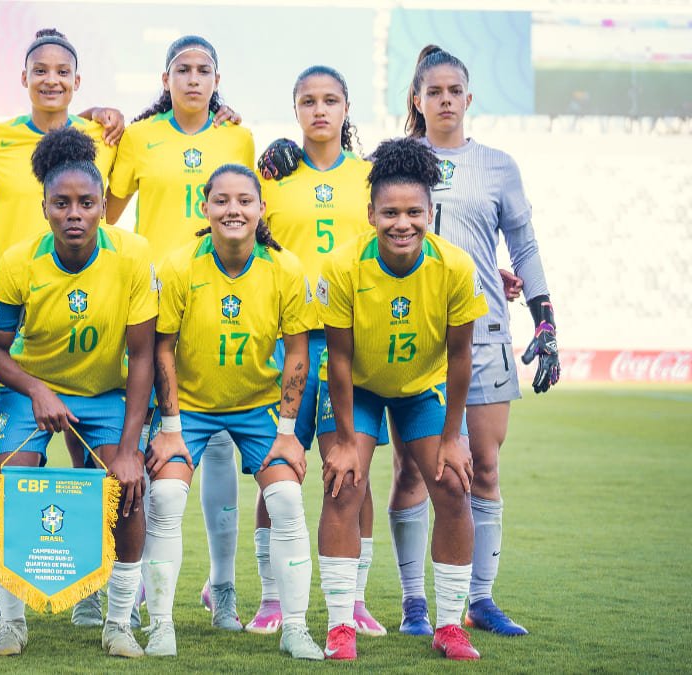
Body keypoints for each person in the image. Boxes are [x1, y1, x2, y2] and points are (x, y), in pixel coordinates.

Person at [389, 45, 560, 638]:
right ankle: (415, 604)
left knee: (482, 467)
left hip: (483, 335)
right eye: (432, 91)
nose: (443, 100)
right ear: (417, 100)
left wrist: (545, 319)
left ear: (467, 98)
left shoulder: (498, 166)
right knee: (413, 472)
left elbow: (524, 244)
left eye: (453, 90)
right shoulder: (397, 163)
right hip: (409, 337)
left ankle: (480, 601)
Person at [0, 127, 155, 658]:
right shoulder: (18, 262)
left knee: (128, 489)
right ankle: (10, 621)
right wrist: (35, 388)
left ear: (104, 206)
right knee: (10, 484)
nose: (74, 213)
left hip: (103, 393)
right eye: (62, 204)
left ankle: (118, 621)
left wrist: (129, 449)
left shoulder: (131, 256)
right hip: (28, 389)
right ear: (45, 208)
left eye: (86, 202)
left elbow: (143, 356)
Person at [314, 137, 486, 661]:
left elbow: (461, 357)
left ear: (431, 212)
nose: (402, 223)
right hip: (357, 387)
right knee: (345, 485)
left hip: (421, 390)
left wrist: (454, 437)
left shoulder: (455, 267)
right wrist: (344, 441)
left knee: (455, 487)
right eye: (390, 212)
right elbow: (338, 360)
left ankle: (450, 625)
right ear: (370, 214)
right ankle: (341, 624)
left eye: (414, 212)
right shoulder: (342, 267)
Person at [105, 35, 255, 631]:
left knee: (217, 444)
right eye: (183, 70)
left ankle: (222, 586)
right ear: (165, 78)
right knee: (145, 439)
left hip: (220, 296)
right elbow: (108, 214)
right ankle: (139, 581)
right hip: (154, 298)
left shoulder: (237, 137)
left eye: (204, 70)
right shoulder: (141, 138)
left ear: (217, 80)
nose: (194, 79)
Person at [144, 163, 321, 659]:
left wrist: (288, 433)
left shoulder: (285, 268)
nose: (233, 209)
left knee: (286, 502)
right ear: (205, 207)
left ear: (262, 208)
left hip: (256, 407)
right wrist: (172, 428)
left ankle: (295, 629)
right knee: (166, 498)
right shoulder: (179, 266)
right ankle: (160, 626)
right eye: (221, 200)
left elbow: (299, 355)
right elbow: (163, 349)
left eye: (245, 200)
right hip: (192, 410)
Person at [252, 65, 388, 637]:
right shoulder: (275, 178)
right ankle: (271, 599)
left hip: (346, 348)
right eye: (308, 101)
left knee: (350, 474)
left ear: (347, 107)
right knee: (277, 472)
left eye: (330, 99)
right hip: (287, 345)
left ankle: (352, 598)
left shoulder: (369, 178)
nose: (320, 110)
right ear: (295, 111)